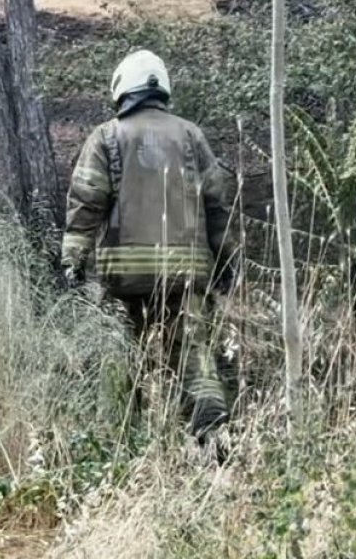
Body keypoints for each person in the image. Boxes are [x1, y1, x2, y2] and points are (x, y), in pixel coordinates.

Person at [62, 50, 238, 455]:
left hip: (123, 277)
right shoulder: (192, 136)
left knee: (119, 357)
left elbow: (86, 203)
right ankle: (213, 438)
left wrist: (73, 260)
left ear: (122, 88)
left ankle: (120, 444)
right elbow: (217, 206)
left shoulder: (106, 137)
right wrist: (226, 259)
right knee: (195, 357)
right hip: (186, 273)